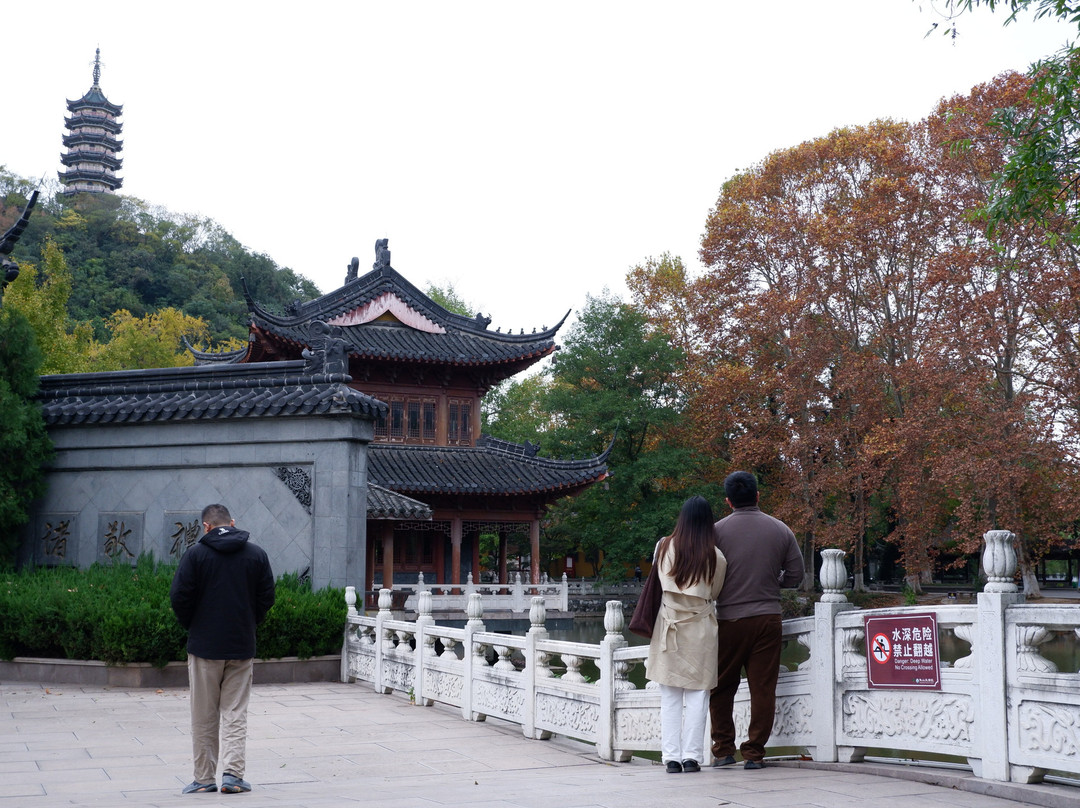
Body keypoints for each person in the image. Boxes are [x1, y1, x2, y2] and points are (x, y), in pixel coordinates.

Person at [170, 504, 276, 795]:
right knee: (235, 712)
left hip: (204, 647)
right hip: (241, 646)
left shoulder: (195, 555)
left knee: (203, 714)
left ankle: (204, 779)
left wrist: (194, 625)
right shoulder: (256, 555)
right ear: (232, 521)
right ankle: (233, 775)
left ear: (206, 527)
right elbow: (267, 597)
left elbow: (179, 597)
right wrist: (250, 622)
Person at [709, 471, 804, 770]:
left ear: (728, 501)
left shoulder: (715, 532)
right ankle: (754, 754)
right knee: (762, 688)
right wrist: (771, 581)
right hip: (767, 618)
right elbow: (796, 576)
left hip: (728, 620)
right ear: (758, 496)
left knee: (721, 686)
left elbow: (706, 576)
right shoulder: (780, 530)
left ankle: (724, 750)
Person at [645, 495, 727, 774]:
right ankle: (691, 757)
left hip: (669, 626)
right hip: (701, 629)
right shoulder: (716, 557)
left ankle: (671, 758)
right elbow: (714, 594)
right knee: (697, 696)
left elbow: (658, 581)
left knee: (669, 695)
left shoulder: (663, 546)